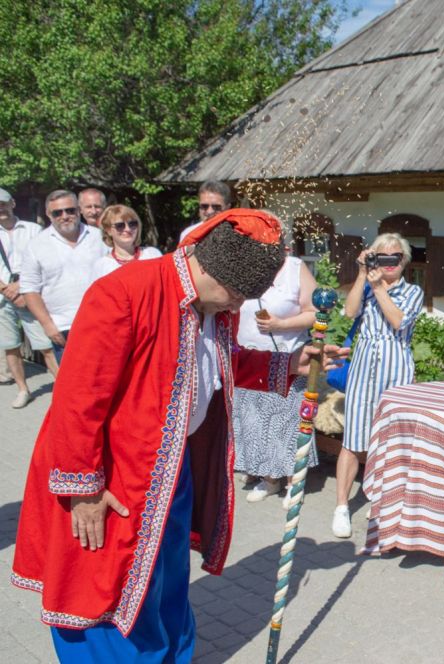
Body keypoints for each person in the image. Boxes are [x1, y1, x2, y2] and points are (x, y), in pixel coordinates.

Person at [10, 209, 348, 663]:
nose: (236, 308)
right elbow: (77, 399)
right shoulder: (124, 292)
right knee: (105, 595)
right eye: (235, 296)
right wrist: (83, 489)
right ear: (210, 268)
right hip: (111, 480)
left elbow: (215, 363)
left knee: (164, 585)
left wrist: (288, 365)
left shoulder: (211, 304)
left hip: (171, 470)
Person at [333, 232, 423, 538]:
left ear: (404, 262)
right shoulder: (367, 284)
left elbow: (398, 321)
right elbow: (348, 311)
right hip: (363, 369)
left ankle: (382, 501)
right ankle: (342, 506)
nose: (387, 264)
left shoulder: (413, 292)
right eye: (381, 257)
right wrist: (361, 274)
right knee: (352, 438)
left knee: (390, 439)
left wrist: (377, 285)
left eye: (394, 258)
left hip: (395, 370)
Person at [234, 253, 319, 506]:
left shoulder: (294, 268)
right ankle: (269, 479)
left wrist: (282, 324)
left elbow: (316, 312)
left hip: (290, 357)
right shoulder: (247, 264)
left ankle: (295, 483)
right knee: (255, 423)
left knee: (288, 424)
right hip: (250, 358)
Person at [19, 190, 105, 364]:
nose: (65, 216)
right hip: (64, 328)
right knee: (73, 387)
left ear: (78, 210)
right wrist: (48, 326)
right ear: (48, 215)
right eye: (57, 212)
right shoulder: (36, 245)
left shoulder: (101, 237)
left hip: (103, 324)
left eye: (70, 210)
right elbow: (29, 289)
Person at [0, 187, 58, 408]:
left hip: (30, 294)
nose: (1, 209)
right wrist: (7, 290)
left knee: (46, 344)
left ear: (13, 203)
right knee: (10, 346)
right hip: (3, 297)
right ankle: (22, 389)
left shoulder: (34, 229)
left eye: (4, 203)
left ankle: (61, 386)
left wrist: (21, 286)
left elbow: (44, 259)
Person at [90, 205, 162, 280]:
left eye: (132, 224)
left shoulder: (152, 255)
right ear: (108, 230)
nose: (128, 229)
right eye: (120, 226)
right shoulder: (102, 266)